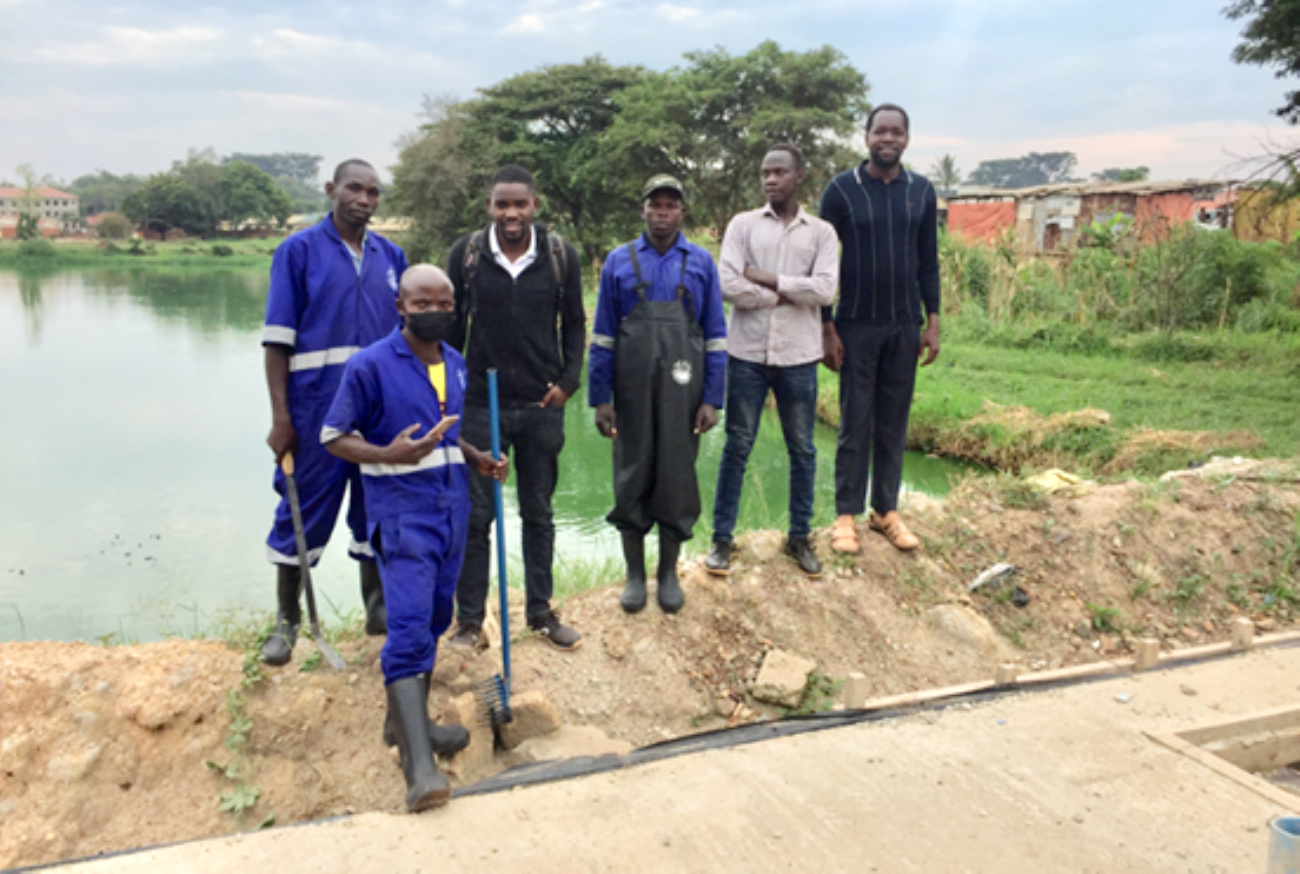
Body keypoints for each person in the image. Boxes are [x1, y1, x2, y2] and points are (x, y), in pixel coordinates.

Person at [321, 264, 507, 812]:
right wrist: (388, 454)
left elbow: (444, 429)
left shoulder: (455, 361)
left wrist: (477, 459)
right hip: (403, 518)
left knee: (431, 621)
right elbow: (334, 437)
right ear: (400, 308)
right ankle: (418, 770)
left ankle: (404, 724)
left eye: (443, 303)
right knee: (405, 629)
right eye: (421, 304)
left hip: (450, 508)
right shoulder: (370, 366)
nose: (434, 312)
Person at [260, 159, 408, 666]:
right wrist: (281, 419)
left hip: (378, 414)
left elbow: (406, 341)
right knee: (302, 510)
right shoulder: (297, 252)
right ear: (331, 190)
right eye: (354, 189)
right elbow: (277, 345)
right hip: (315, 412)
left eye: (373, 192)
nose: (363, 199)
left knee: (378, 511)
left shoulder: (392, 256)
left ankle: (377, 610)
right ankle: (287, 621)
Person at [445, 166, 585, 652]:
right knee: (475, 516)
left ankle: (541, 613)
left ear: (534, 206)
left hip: (540, 404)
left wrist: (569, 383)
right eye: (502, 204)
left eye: (519, 204)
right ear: (489, 206)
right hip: (480, 406)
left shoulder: (559, 255)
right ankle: (468, 623)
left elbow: (574, 325)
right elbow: (449, 330)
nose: (511, 214)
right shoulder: (464, 255)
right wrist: (450, 392)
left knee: (538, 512)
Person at [589, 174, 727, 614]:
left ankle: (667, 573)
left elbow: (717, 337)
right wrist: (600, 399)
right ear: (643, 210)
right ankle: (634, 575)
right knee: (631, 473)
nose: (663, 213)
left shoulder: (702, 262)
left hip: (683, 392)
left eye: (671, 205)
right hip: (629, 391)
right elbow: (604, 337)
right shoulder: (618, 261)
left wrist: (712, 398)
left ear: (682, 212)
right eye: (656, 205)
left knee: (676, 474)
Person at [705, 144, 838, 579]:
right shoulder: (742, 225)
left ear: (800, 176)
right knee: (737, 445)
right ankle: (722, 540)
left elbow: (824, 291)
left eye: (780, 172)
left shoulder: (821, 233)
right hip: (746, 354)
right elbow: (726, 282)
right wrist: (779, 295)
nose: (771, 179)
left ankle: (800, 536)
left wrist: (768, 278)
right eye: (765, 172)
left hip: (798, 356)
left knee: (802, 447)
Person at [819, 104, 941, 555]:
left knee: (894, 421)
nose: (887, 139)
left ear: (907, 139)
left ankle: (886, 510)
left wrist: (933, 321)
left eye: (896, 132)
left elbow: (928, 261)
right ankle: (845, 515)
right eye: (879, 131)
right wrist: (826, 326)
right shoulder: (841, 191)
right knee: (855, 421)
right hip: (854, 324)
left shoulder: (922, 192)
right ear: (866, 136)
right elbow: (821, 263)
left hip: (904, 325)